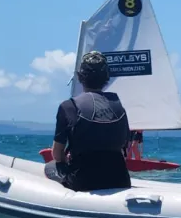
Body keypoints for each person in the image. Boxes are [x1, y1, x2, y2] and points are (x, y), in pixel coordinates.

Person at [45, 51, 132, 191]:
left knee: (50, 167)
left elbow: (57, 154)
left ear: (79, 77)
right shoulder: (118, 106)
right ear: (106, 78)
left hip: (84, 182)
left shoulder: (68, 106)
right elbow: (124, 145)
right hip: (120, 179)